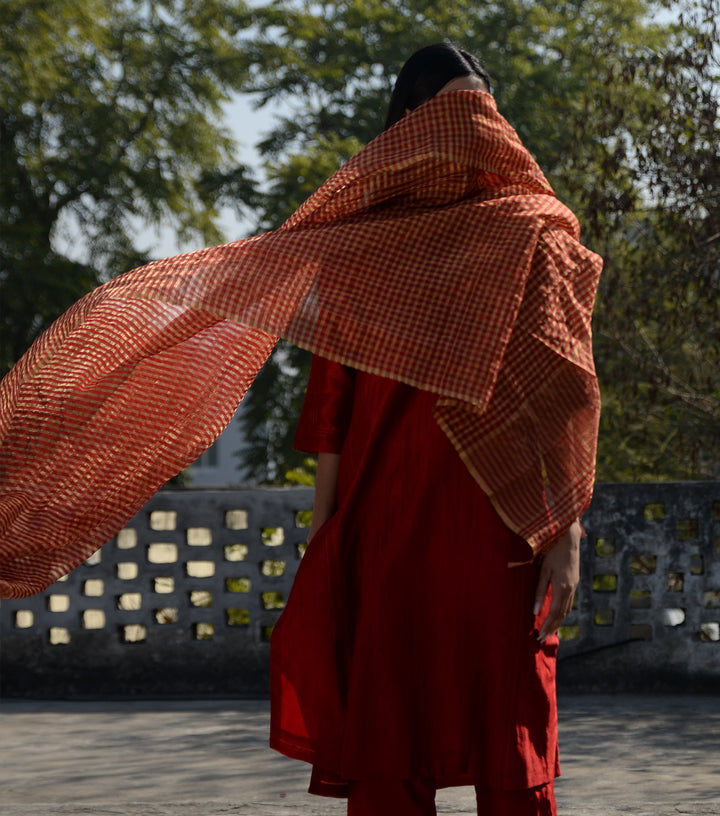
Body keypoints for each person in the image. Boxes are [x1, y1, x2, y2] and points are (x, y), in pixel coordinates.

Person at [268, 43, 593, 816]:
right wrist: (327, 547)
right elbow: (333, 415)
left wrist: (565, 530)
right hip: (386, 538)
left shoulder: (531, 234)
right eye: (451, 115)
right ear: (409, 127)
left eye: (481, 113)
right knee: (388, 750)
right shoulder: (361, 245)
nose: (470, 132)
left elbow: (564, 395)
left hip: (500, 535)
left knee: (510, 744)